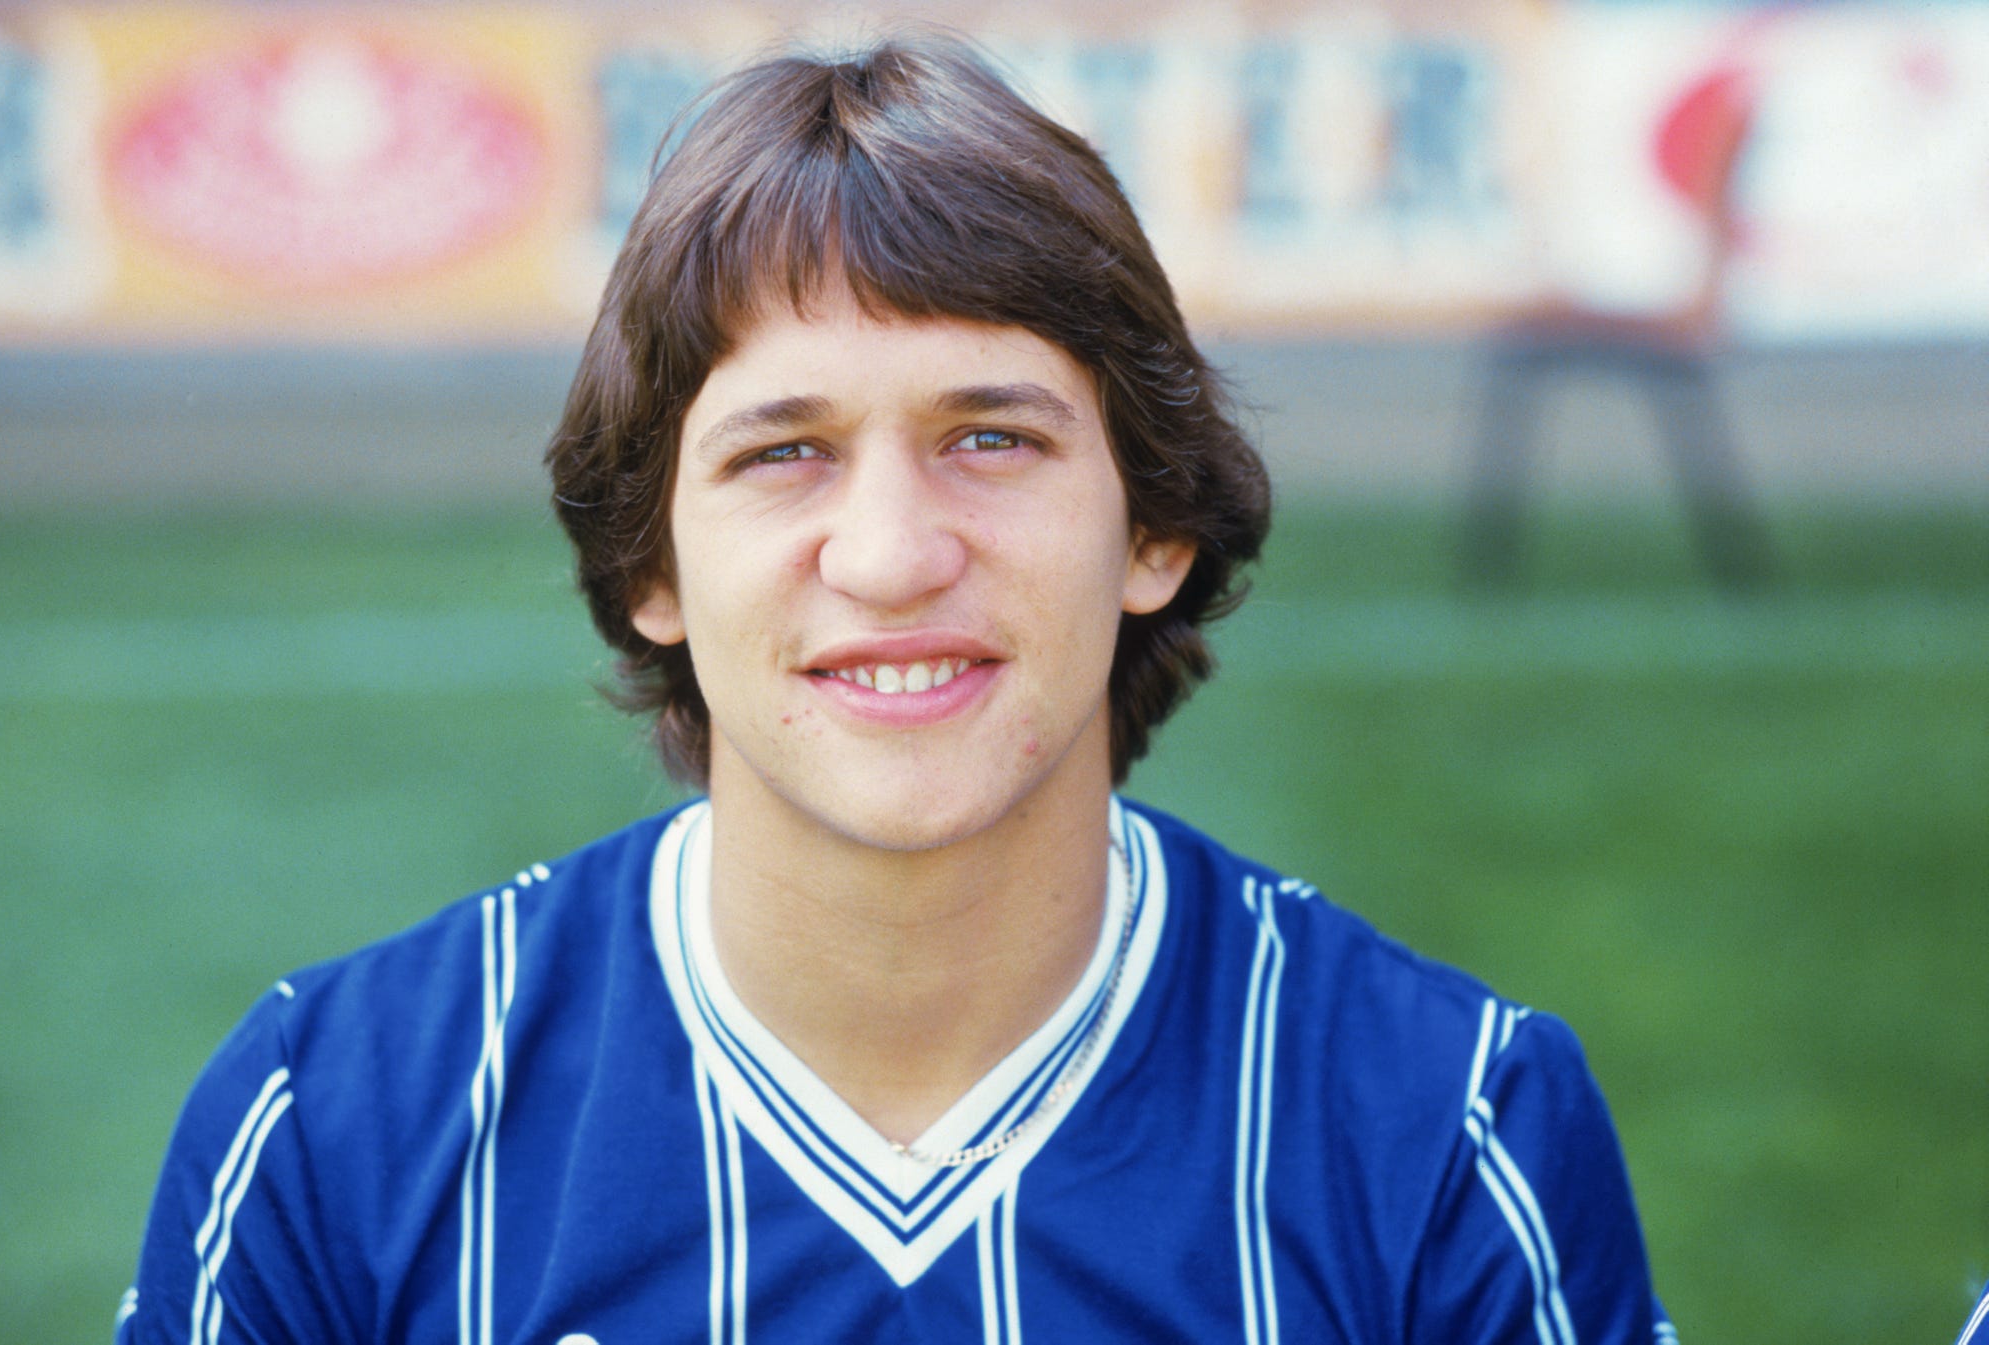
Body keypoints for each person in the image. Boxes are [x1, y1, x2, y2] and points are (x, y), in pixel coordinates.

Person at [119, 36, 1674, 1343]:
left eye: (990, 436)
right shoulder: (332, 1128)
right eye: (782, 450)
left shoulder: (1448, 1131)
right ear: (649, 561)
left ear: (1155, 525)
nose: (888, 553)